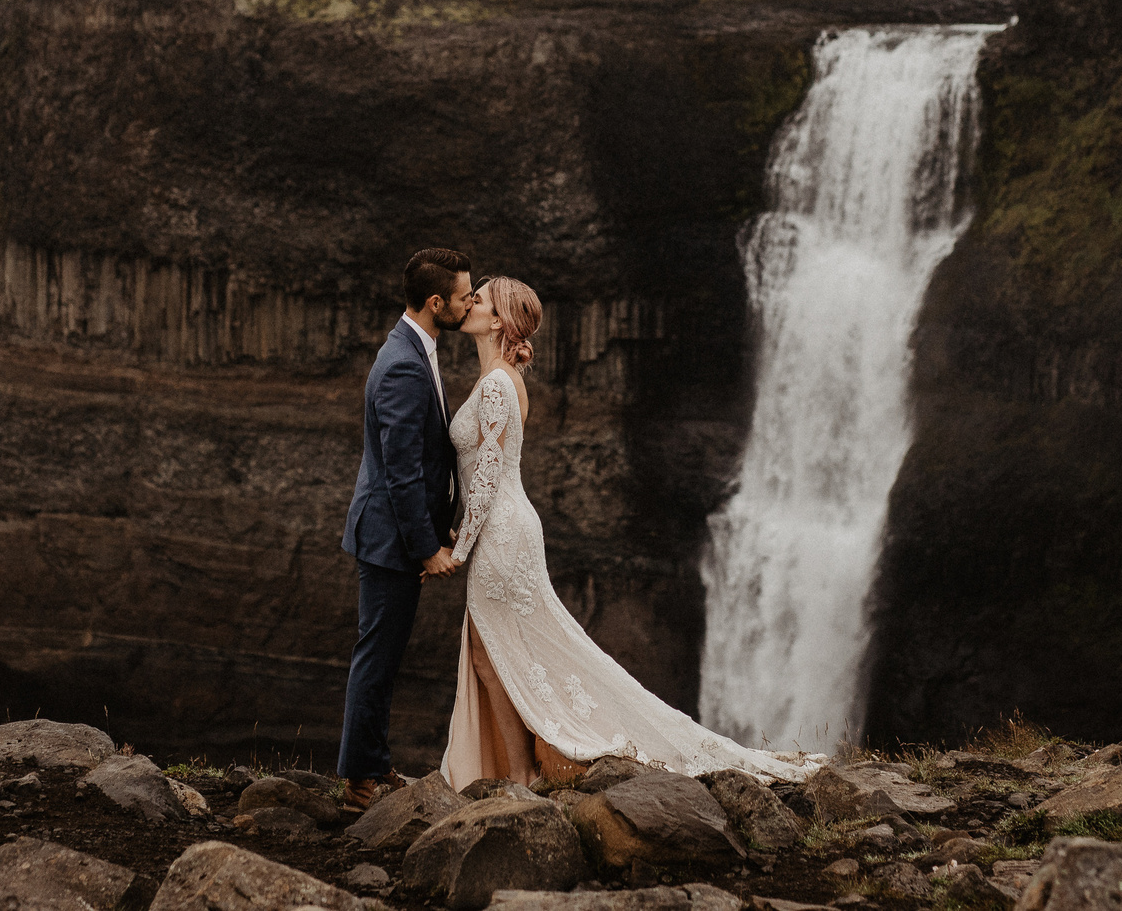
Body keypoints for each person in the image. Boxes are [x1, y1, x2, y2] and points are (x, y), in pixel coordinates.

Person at [440, 275, 813, 788]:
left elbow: (486, 473)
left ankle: (525, 770)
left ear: (499, 320)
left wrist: (458, 547)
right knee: (492, 652)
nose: (469, 305)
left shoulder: (500, 383)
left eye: (477, 300)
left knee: (500, 650)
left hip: (500, 532)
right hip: (499, 529)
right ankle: (522, 768)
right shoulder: (494, 380)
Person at [338, 246, 474, 810]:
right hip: (390, 539)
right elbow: (400, 472)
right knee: (377, 655)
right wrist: (426, 550)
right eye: (464, 297)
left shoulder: (416, 349)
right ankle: (359, 784)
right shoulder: (401, 365)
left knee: (385, 654)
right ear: (436, 301)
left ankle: (373, 764)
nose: (470, 305)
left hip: (397, 536)